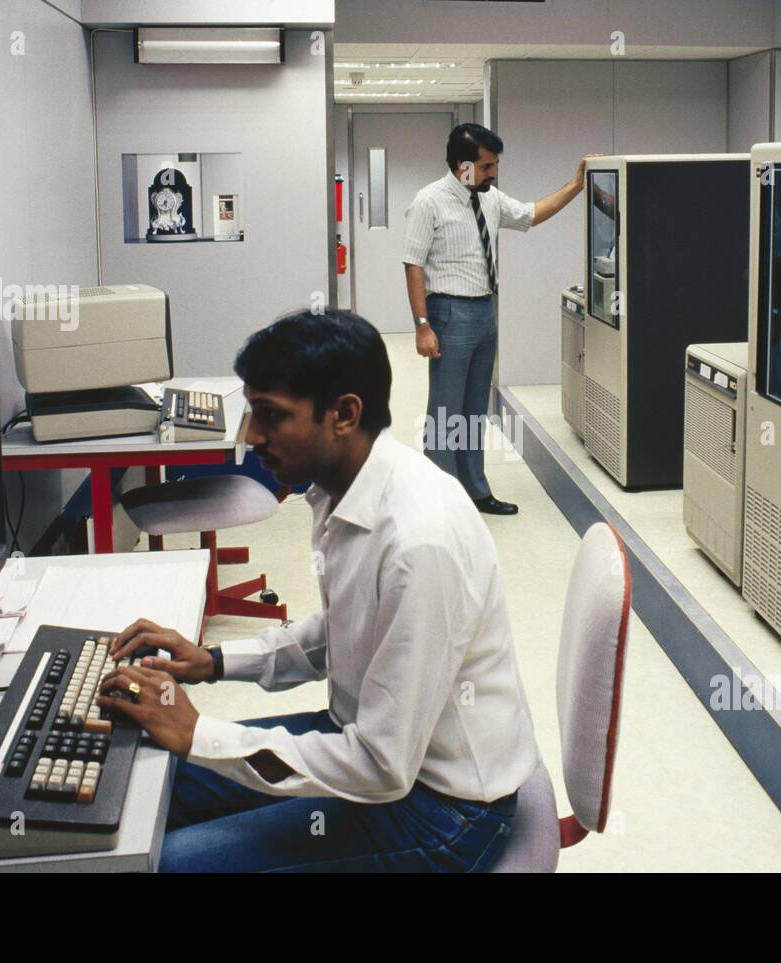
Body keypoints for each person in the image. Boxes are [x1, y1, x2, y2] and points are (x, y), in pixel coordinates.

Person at [98, 308, 541, 873]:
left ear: (343, 414)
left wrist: (199, 732)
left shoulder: (418, 543)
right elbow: (339, 633)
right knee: (150, 779)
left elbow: (383, 768)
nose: (252, 436)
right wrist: (212, 661)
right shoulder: (342, 487)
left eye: (270, 416)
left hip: (442, 811)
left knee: (176, 863)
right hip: (367, 744)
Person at [403, 122, 597, 516]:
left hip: (483, 310)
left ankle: (475, 489)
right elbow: (413, 264)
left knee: (476, 408)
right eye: (488, 166)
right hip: (447, 312)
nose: (494, 173)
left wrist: (576, 185)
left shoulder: (488, 198)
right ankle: (439, 500)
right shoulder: (429, 202)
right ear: (464, 166)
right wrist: (422, 325)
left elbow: (531, 214)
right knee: (445, 410)